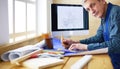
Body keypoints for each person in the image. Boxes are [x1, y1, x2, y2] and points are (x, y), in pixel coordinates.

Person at [62, 0, 120, 69]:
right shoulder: (104, 16)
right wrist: (76, 42)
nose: (92, 11)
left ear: (103, 1)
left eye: (93, 5)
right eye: (88, 9)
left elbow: (116, 44)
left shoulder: (116, 12)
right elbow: (98, 38)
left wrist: (85, 47)